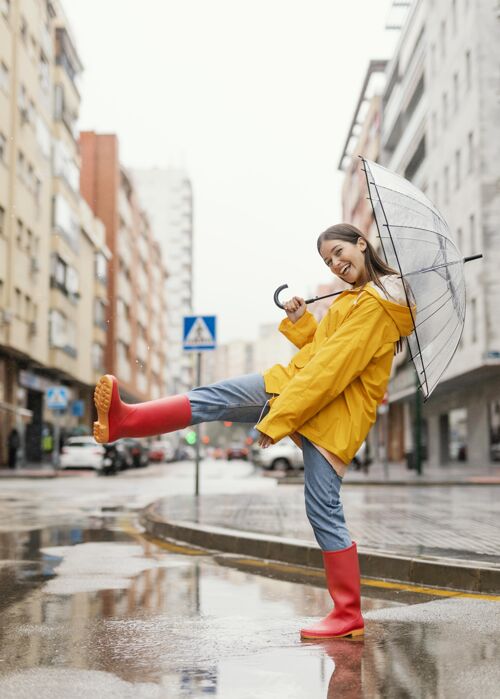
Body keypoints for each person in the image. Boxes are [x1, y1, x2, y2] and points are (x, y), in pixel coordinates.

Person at [93, 223, 415, 640]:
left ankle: (348, 614)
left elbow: (331, 370)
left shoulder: (375, 306)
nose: (336, 263)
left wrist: (278, 419)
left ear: (361, 243)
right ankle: (126, 420)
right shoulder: (358, 299)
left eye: (339, 252)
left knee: (320, 507)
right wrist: (301, 323)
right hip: (311, 399)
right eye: (327, 260)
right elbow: (325, 350)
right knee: (216, 400)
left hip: (324, 410)